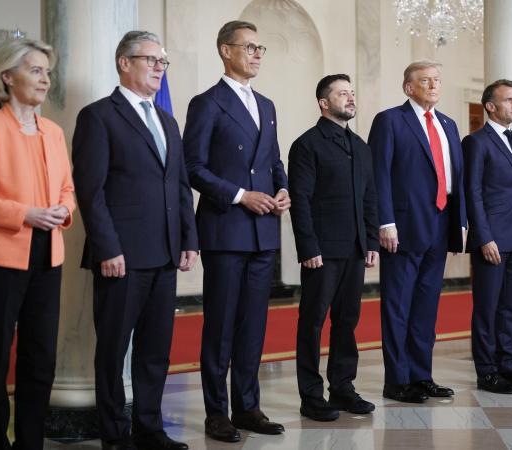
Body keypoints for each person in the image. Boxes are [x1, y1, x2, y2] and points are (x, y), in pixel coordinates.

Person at [72, 31, 197, 450]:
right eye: (152, 60)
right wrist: (108, 248)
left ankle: (149, 428)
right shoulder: (98, 116)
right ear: (124, 63)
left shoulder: (166, 120)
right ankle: (114, 435)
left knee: (155, 350)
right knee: (112, 350)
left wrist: (187, 239)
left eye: (164, 61)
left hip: (164, 253)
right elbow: (92, 191)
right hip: (121, 256)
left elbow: (179, 185)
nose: (161, 68)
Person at [0, 37, 75, 450]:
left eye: (47, 71)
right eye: (36, 70)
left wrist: (63, 209)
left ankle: (30, 442)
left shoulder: (55, 132)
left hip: (49, 254)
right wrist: (25, 213)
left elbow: (67, 187)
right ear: (7, 77)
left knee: (40, 357)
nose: (45, 79)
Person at [182, 20, 289, 442]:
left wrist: (282, 190)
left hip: (263, 231)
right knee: (221, 325)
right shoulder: (206, 103)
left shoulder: (267, 105)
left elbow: (274, 162)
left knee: (254, 325)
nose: (257, 54)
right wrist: (240, 195)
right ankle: (216, 413)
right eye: (249, 47)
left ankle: (248, 407)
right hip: (226, 229)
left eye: (261, 48)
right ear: (226, 51)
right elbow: (193, 167)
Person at [368, 60, 466, 404]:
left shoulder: (450, 125)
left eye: (438, 80)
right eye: (426, 81)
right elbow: (378, 173)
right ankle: (396, 380)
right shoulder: (390, 120)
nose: (434, 85)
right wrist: (385, 221)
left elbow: (457, 178)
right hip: (403, 226)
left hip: (441, 223)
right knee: (398, 306)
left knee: (426, 306)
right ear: (409, 87)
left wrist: (462, 222)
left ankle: (421, 376)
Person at [289, 74, 379, 421]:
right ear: (324, 103)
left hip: (355, 248)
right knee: (312, 322)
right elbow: (301, 200)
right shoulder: (307, 145)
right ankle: (311, 395)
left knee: (347, 320)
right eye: (343, 93)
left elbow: (369, 197)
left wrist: (371, 240)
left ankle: (342, 388)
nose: (350, 98)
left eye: (352, 92)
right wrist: (308, 247)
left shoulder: (360, 145)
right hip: (322, 251)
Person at [463, 79, 512, 394]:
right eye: (510, 100)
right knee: (487, 309)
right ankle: (487, 372)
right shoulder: (476, 142)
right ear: (491, 106)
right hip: (492, 238)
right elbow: (473, 192)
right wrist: (484, 237)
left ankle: (507, 366)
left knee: (511, 308)